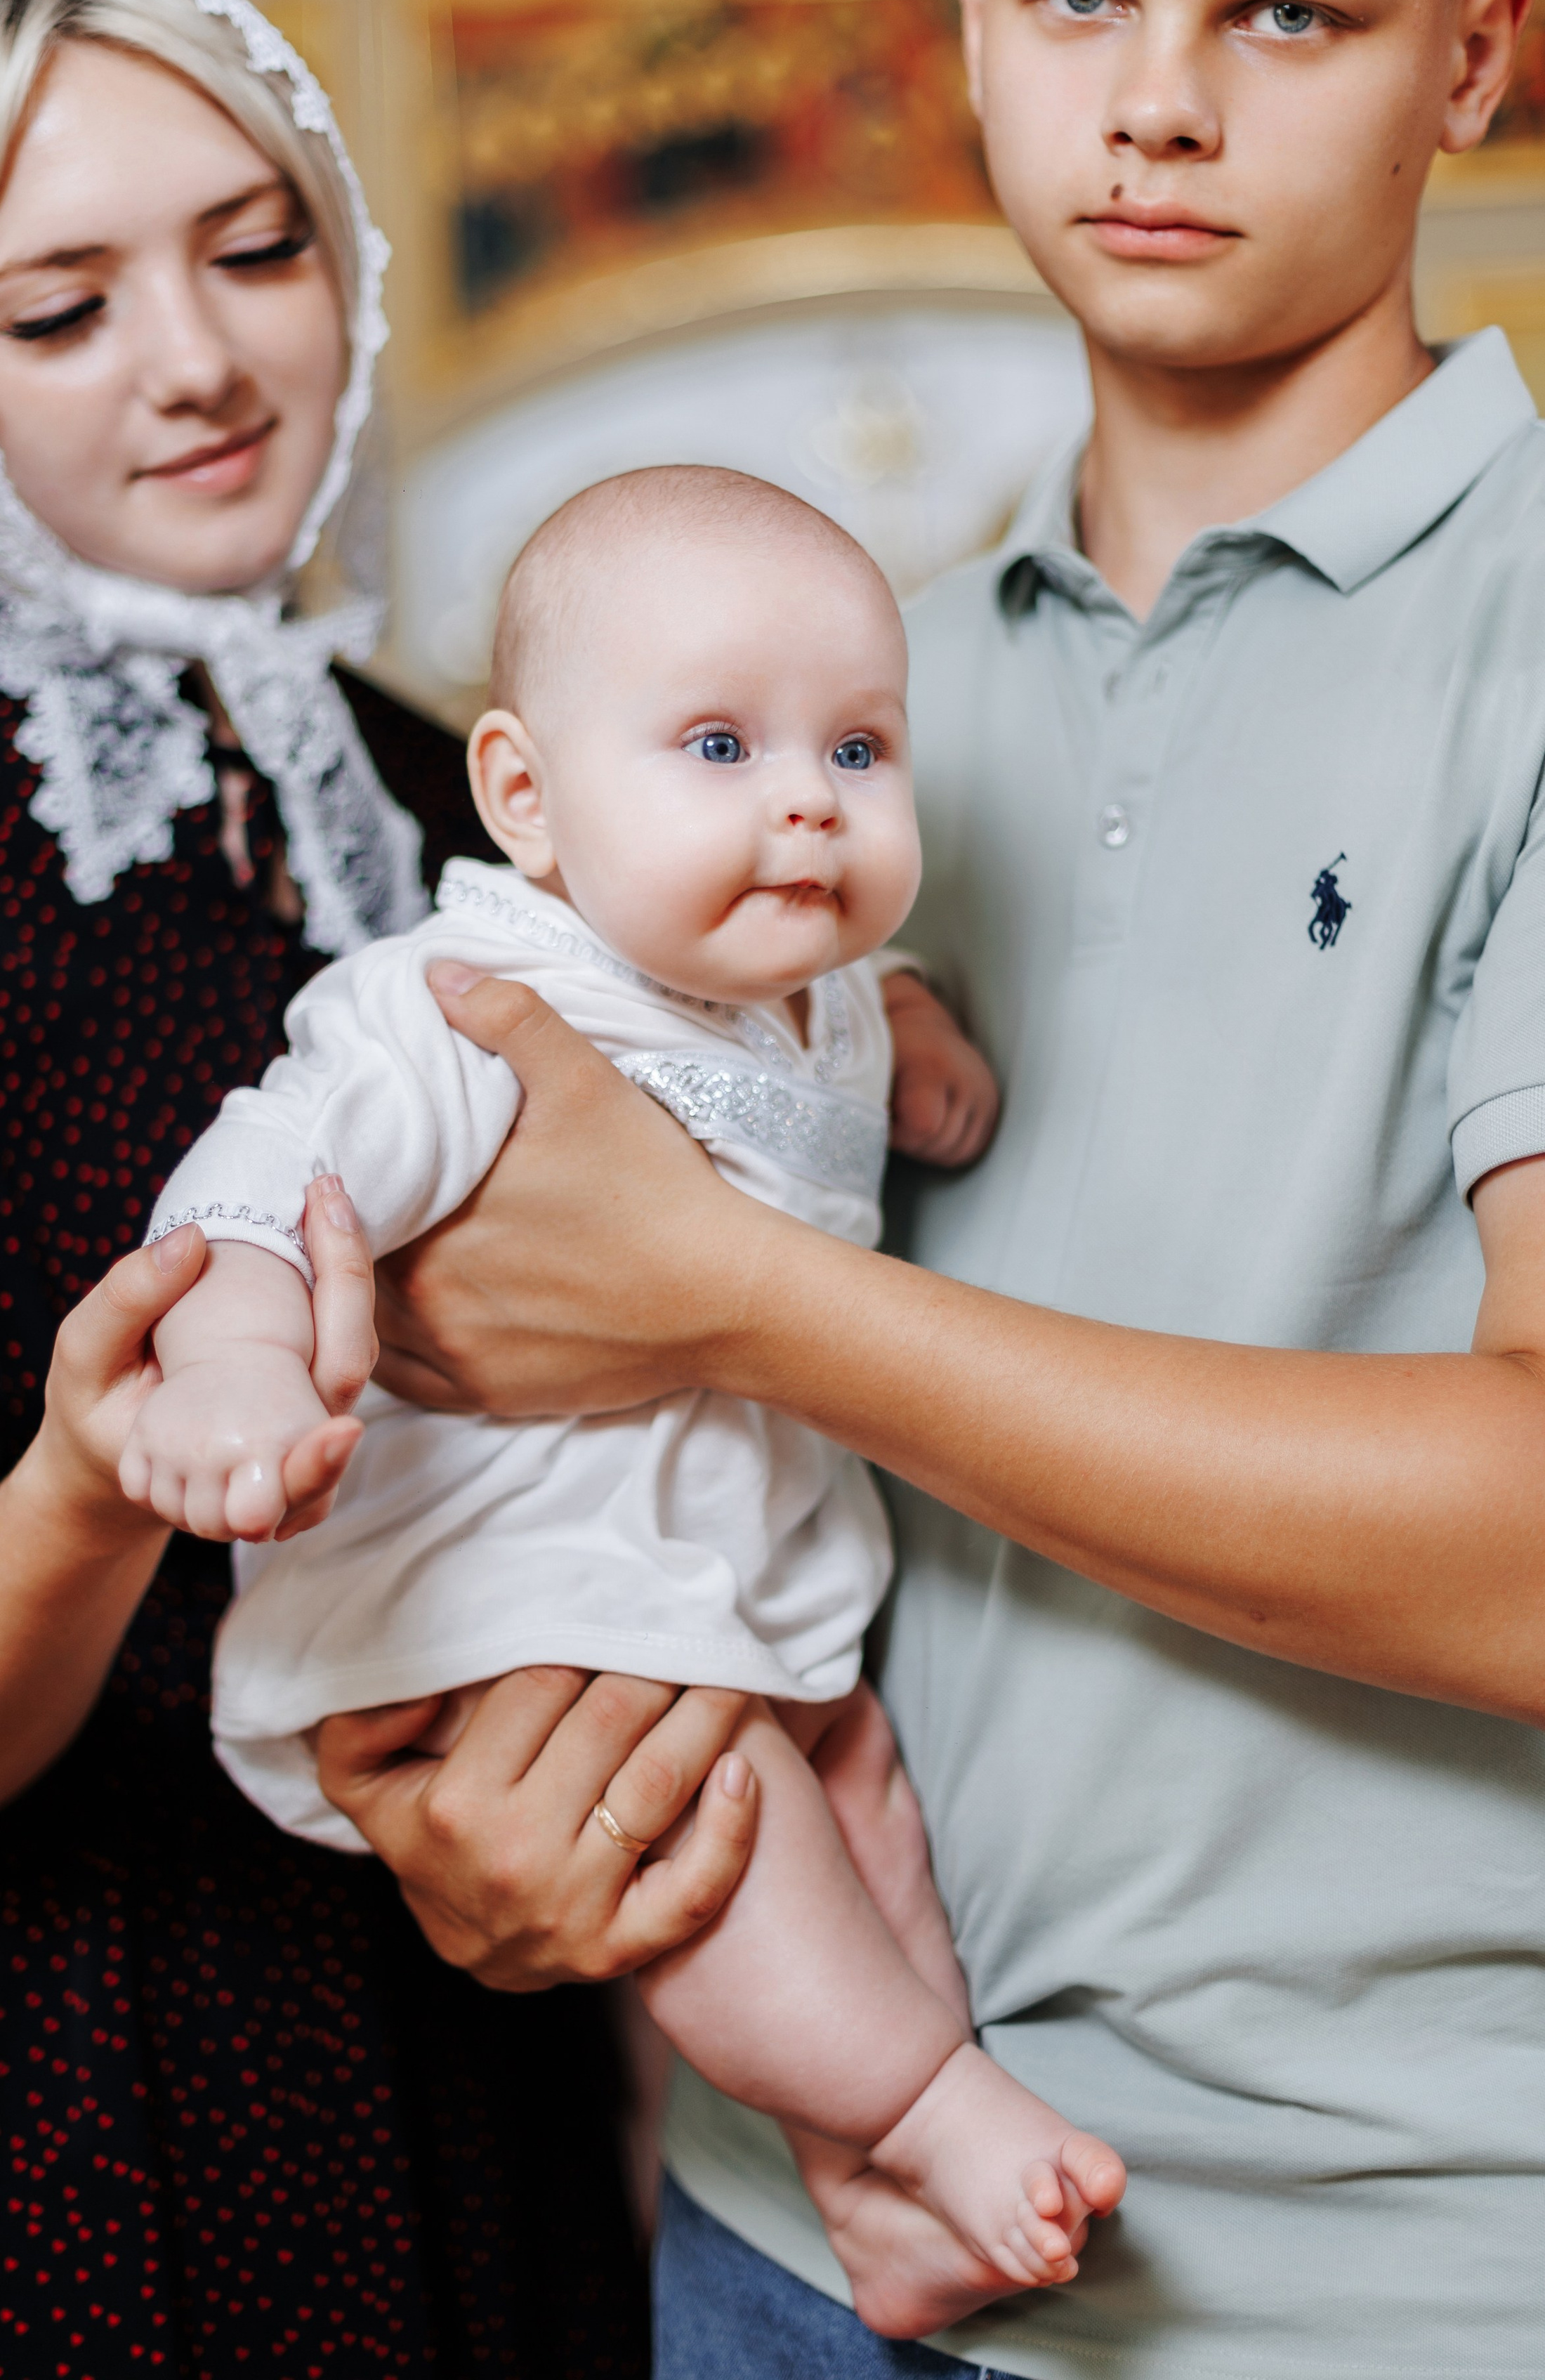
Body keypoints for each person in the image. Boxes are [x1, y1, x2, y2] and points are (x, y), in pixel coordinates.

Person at [306, 0, 1545, 2376]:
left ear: (1478, 56)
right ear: (972, 18)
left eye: (1289, 14)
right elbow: (582, 1405)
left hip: (1366, 2285)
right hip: (778, 2231)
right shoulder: (846, 729)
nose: (1160, 107)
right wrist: (501, 1801)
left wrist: (735, 1294)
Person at [0, 0, 655, 2373]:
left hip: (460, 2029)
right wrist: (82, 1477)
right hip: (46, 2105)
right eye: (62, 309)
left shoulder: (418, 779)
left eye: (259, 245)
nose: (199, 362)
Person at [121, 462, 1121, 2334]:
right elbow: (267, 1171)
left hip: (714, 1558)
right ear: (526, 797)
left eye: (862, 747)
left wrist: (902, 1027)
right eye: (722, 742)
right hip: (517, 1586)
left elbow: (835, 993)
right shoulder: (476, 1001)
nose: (808, 797)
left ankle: (864, 2185)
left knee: (859, 1790)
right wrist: (242, 1351)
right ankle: (921, 2102)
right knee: (733, 1821)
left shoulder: (806, 985)